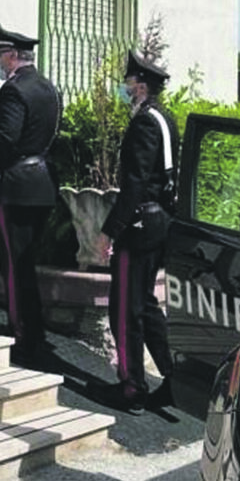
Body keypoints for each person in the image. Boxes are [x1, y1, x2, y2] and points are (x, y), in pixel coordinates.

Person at [0, 23, 61, 365]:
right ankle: (33, 330)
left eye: (0, 54)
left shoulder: (14, 90)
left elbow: (6, 138)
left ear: (14, 55)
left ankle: (22, 335)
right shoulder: (48, 87)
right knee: (26, 263)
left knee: (15, 266)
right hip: (42, 185)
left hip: (16, 186)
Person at [94, 50, 180, 414]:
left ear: (140, 85)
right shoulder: (165, 117)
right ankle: (174, 379)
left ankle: (132, 388)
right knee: (146, 304)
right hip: (160, 222)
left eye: (128, 81)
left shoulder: (144, 122)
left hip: (140, 224)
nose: (124, 87)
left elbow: (135, 184)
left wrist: (109, 231)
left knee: (125, 309)